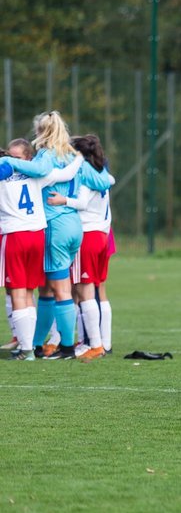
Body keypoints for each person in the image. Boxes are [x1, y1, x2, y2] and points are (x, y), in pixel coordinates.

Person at [6, 112, 112, 360]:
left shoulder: (47, 154)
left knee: (59, 289)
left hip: (55, 224)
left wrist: (9, 163)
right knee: (47, 288)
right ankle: (36, 343)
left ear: (41, 132)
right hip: (74, 225)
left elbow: (40, 168)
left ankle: (64, 347)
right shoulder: (74, 156)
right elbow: (103, 181)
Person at [0, 137, 84, 360]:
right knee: (28, 292)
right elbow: (65, 174)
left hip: (15, 235)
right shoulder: (37, 175)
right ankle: (30, 346)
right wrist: (79, 157)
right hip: (37, 235)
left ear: (27, 158)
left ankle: (26, 350)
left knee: (18, 292)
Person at [47, 134, 114, 361]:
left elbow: (83, 203)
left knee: (84, 291)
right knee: (82, 290)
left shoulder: (85, 173)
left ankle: (96, 344)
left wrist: (62, 201)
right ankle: (88, 342)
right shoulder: (100, 173)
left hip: (88, 234)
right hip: (100, 234)